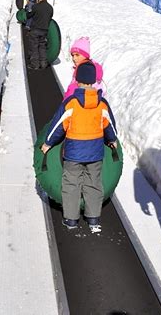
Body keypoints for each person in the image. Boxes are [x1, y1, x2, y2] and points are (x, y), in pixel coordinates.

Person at [41, 61, 117, 233]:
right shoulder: (102, 104)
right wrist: (112, 140)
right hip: (95, 153)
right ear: (93, 81)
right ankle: (93, 218)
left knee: (71, 184)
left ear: (77, 79)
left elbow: (58, 126)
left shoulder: (71, 103)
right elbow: (109, 125)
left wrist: (48, 143)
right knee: (93, 183)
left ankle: (71, 219)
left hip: (74, 153)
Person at [26, 0, 53, 70]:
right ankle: (43, 63)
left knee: (34, 47)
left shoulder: (36, 6)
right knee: (42, 47)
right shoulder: (50, 8)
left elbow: (29, 15)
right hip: (44, 30)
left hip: (35, 29)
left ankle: (35, 64)